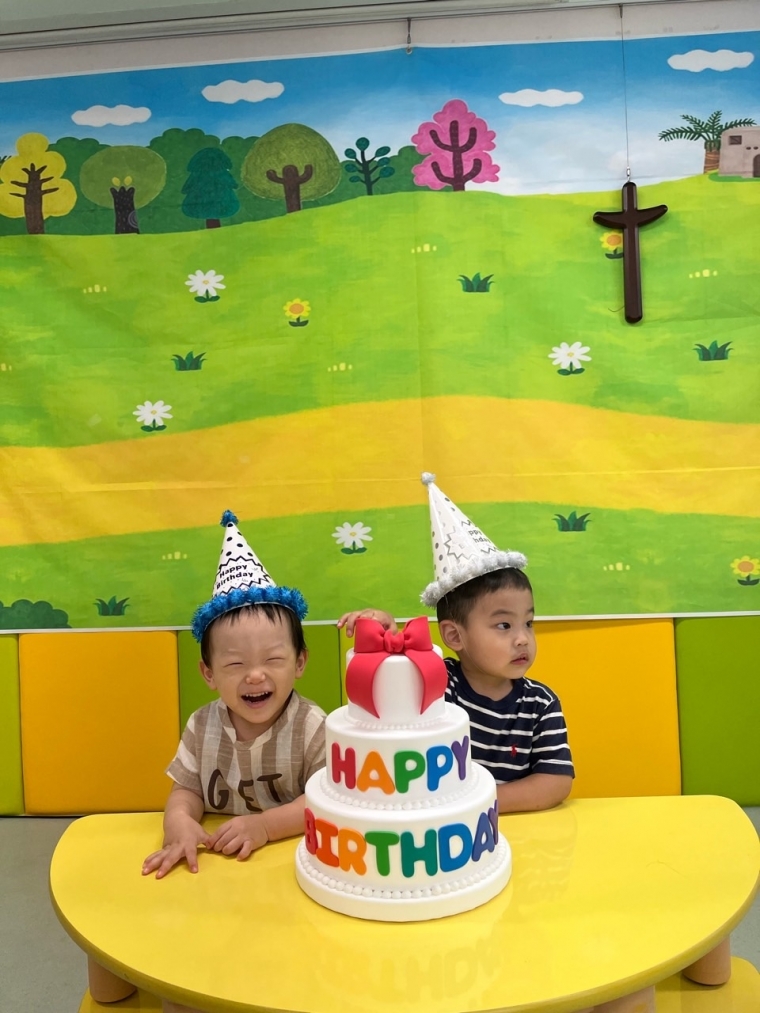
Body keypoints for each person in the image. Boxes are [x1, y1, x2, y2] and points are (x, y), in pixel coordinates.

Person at [338, 474, 573, 814]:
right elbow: (391, 679)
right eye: (504, 625)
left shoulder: (540, 703)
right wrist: (384, 631)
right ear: (454, 636)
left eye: (528, 623)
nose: (523, 638)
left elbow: (555, 782)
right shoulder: (437, 684)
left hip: (507, 829)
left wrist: (476, 804)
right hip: (439, 834)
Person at [143, 511, 325, 881]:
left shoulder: (312, 726)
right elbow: (187, 791)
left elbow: (323, 800)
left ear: (299, 662)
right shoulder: (202, 726)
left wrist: (264, 826)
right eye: (235, 663)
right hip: (214, 869)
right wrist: (178, 822)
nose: (255, 675)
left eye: (273, 659)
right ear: (209, 673)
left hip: (290, 866)